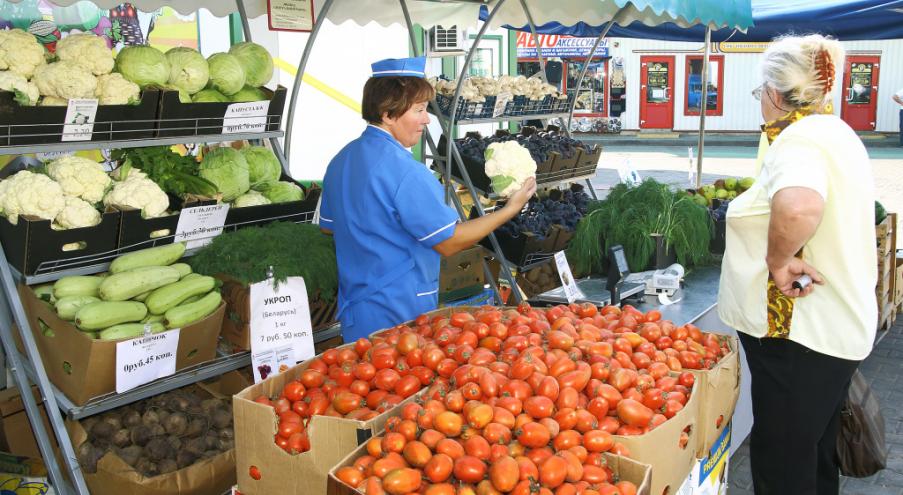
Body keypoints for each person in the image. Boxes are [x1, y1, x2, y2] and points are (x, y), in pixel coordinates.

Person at [718, 34, 877, 494]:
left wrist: (778, 259)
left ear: (773, 92)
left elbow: (799, 206)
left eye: (757, 93)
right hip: (832, 333)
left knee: (782, 463)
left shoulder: (798, 139)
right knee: (814, 453)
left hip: (800, 337)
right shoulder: (835, 130)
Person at [319, 57, 537, 342]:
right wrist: (510, 209)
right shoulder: (405, 172)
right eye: (419, 110)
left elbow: (329, 227)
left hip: (357, 310)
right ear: (387, 113)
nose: (426, 119)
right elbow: (449, 241)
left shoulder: (341, 160)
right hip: (398, 313)